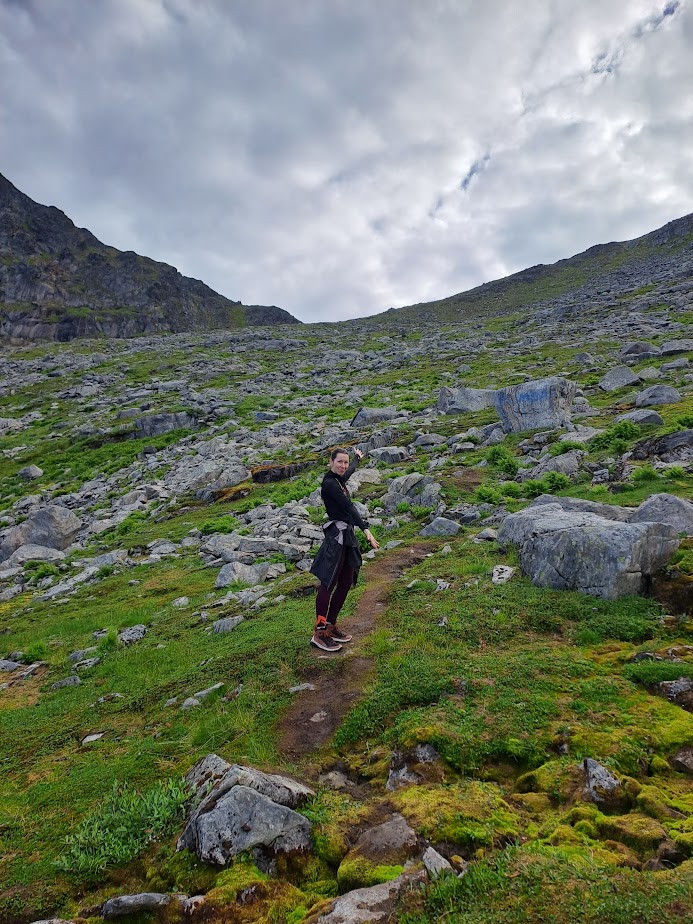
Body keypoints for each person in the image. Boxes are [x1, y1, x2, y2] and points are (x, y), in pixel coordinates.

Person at [309, 447, 379, 651]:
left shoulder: (339, 478)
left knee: (346, 580)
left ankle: (331, 625)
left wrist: (357, 458)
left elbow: (348, 473)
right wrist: (366, 530)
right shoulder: (330, 484)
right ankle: (319, 632)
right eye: (339, 462)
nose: (343, 466)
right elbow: (349, 507)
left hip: (347, 536)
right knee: (328, 583)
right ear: (330, 463)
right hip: (337, 537)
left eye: (345, 462)